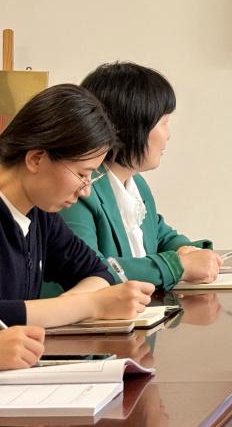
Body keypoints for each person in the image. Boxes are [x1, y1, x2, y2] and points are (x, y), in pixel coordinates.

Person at [0, 84, 154, 328]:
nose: (86, 190)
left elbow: (97, 272)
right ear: (36, 159)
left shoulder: (40, 213)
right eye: (83, 174)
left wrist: (66, 307)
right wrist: (90, 305)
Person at [58, 63, 221, 290]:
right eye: (164, 122)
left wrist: (187, 250)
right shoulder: (79, 189)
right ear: (132, 125)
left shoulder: (136, 184)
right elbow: (89, 270)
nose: (168, 135)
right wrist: (177, 265)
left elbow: (160, 235)